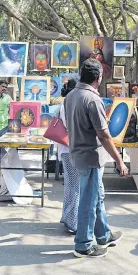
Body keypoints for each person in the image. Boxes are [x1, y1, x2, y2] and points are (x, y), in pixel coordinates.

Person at [65, 59, 128, 258]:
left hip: (80, 153)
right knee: (89, 201)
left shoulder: (71, 96)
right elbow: (104, 134)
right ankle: (83, 244)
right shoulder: (92, 99)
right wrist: (119, 160)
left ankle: (104, 235)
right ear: (98, 78)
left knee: (96, 197)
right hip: (91, 156)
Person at [58, 78, 78, 234]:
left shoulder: (65, 102)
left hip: (65, 149)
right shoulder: (70, 103)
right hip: (71, 148)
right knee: (75, 185)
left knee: (70, 185)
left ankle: (67, 217)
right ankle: (72, 221)